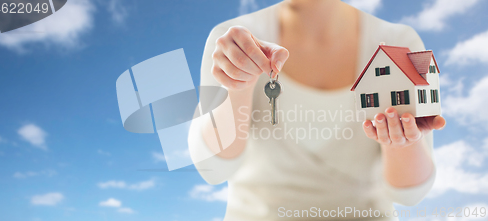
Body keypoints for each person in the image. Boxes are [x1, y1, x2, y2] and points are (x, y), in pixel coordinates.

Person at [188, 0, 447, 220]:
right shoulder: (233, 41)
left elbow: (409, 194)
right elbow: (213, 168)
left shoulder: (398, 42)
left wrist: (401, 143)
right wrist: (238, 86)